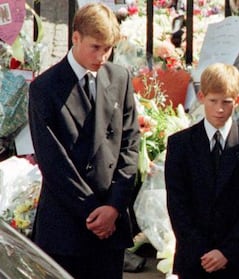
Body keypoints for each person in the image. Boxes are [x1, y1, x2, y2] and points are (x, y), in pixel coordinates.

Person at [28, 3, 140, 279]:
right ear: (75, 37)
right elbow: (53, 162)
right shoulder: (45, 87)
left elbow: (130, 144)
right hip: (67, 225)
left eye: (108, 48)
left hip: (109, 224)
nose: (102, 56)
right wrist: (93, 212)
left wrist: (114, 206)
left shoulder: (119, 77)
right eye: (95, 47)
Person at [165, 63, 239, 279]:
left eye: (226, 102)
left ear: (237, 101)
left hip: (233, 260)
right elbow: (177, 204)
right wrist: (201, 250)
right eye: (213, 101)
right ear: (201, 97)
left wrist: (226, 252)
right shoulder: (181, 145)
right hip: (194, 258)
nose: (219, 109)